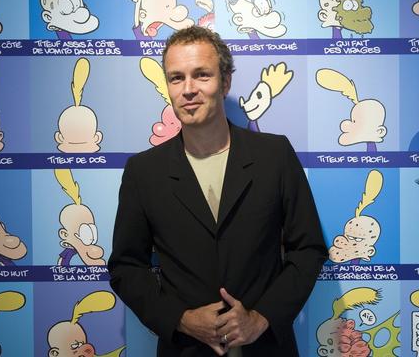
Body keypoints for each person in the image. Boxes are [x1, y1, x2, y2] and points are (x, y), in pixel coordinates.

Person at [108, 26, 328, 356]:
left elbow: (308, 249)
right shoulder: (143, 172)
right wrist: (180, 319)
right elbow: (126, 267)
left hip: (267, 349)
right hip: (185, 350)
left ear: (225, 82)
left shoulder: (275, 155)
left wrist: (262, 318)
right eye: (176, 78)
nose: (188, 89)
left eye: (201, 75)